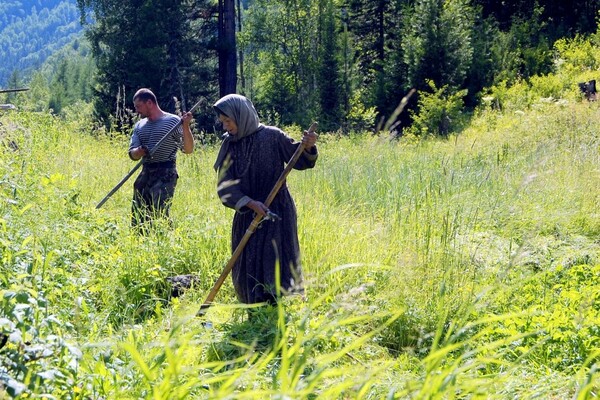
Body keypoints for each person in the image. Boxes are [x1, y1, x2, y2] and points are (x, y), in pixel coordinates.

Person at [213, 94, 318, 306]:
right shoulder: (229, 144)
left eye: (228, 121)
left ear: (241, 116)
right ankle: (254, 308)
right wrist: (249, 203)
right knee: (248, 261)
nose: (226, 126)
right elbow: (224, 187)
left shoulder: (272, 136)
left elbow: (299, 160)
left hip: (277, 210)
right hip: (247, 211)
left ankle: (277, 309)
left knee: (276, 257)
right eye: (223, 122)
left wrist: (307, 147)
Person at [128, 88, 194, 230]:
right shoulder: (139, 126)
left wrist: (186, 126)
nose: (137, 111)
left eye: (139, 106)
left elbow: (188, 149)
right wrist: (139, 152)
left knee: (160, 214)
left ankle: (167, 241)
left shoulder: (172, 122)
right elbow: (132, 154)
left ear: (149, 103)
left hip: (166, 172)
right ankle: (140, 243)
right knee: (139, 215)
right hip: (146, 172)